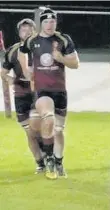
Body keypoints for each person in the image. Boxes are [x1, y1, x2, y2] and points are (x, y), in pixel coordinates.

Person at [18, 8, 80, 179]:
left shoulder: (63, 39)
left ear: (56, 23)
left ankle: (58, 162)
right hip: (42, 90)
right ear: (41, 23)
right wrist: (26, 69)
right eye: (46, 21)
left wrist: (61, 58)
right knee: (48, 117)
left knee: (58, 130)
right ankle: (49, 158)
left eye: (53, 21)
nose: (50, 24)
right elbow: (21, 53)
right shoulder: (32, 40)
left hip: (60, 91)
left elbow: (75, 63)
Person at [1, 18, 44, 173]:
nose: (25, 32)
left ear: (34, 31)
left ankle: (47, 152)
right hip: (20, 95)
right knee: (29, 132)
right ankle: (40, 162)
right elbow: (4, 72)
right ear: (19, 32)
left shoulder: (40, 48)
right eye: (22, 29)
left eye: (28, 29)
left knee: (37, 126)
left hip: (38, 93)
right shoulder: (13, 50)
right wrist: (12, 79)